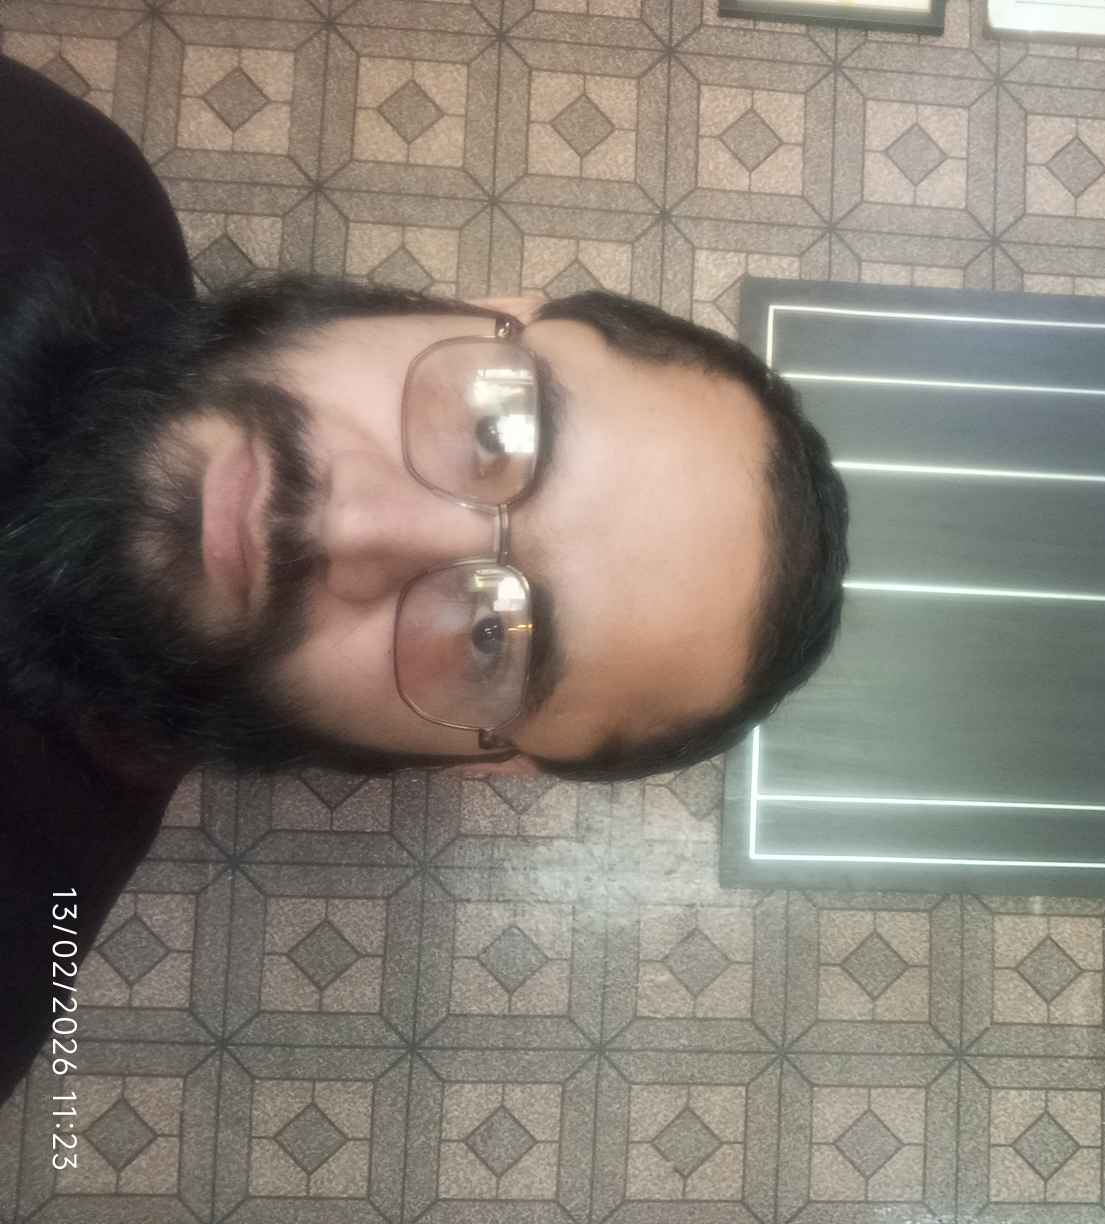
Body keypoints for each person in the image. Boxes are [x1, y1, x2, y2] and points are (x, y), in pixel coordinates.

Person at [0, 56, 849, 1102]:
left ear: (474, 765)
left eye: (494, 638)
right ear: (482, 307)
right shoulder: (62, 177)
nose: (354, 524)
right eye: (500, 426)